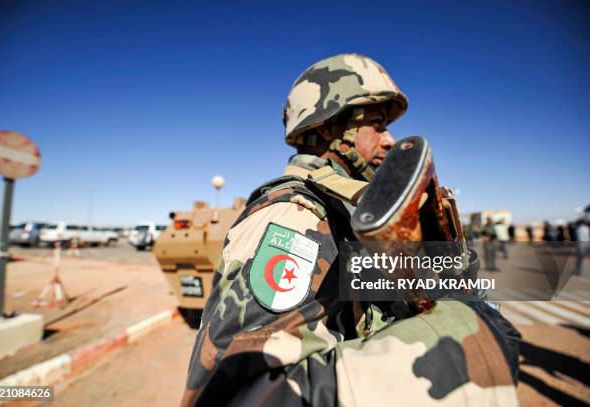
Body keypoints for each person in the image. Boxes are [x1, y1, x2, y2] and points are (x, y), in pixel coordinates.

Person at [183, 54, 520, 406]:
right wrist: (465, 337)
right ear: (329, 129)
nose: (390, 140)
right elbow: (241, 395)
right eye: (376, 124)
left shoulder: (342, 212)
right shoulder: (295, 217)